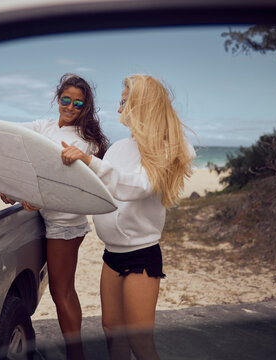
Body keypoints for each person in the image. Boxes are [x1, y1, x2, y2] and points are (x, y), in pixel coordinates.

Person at [0, 73, 109, 360]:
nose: (70, 107)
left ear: (85, 108)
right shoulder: (44, 127)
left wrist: (29, 196)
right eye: (65, 100)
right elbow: (7, 134)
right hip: (53, 218)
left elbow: (61, 182)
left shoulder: (85, 141)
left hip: (65, 223)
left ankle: (75, 356)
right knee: (64, 290)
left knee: (62, 292)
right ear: (57, 99)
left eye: (78, 104)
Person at [60, 74, 196, 360]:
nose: (119, 109)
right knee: (111, 330)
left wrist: (88, 161)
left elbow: (136, 186)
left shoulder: (164, 148)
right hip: (111, 255)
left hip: (140, 256)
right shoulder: (119, 148)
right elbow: (99, 190)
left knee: (139, 341)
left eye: (124, 101)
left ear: (140, 104)